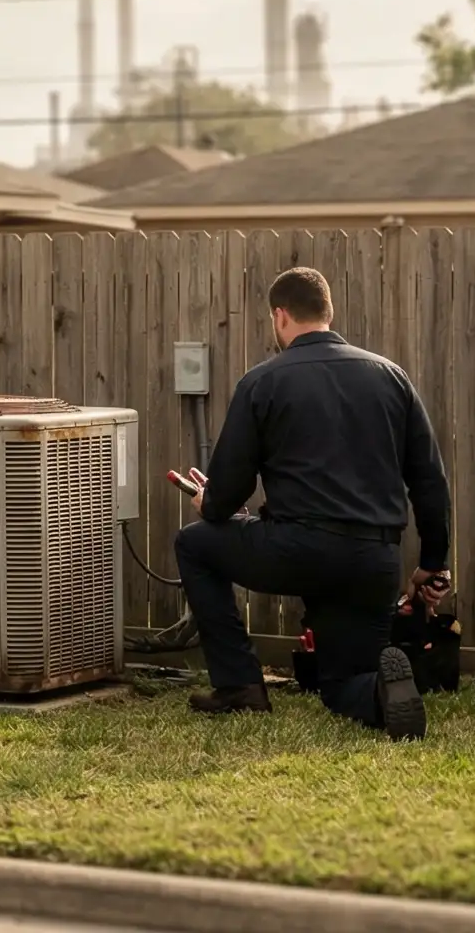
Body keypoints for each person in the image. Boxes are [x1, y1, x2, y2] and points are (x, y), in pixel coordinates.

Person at [172, 266, 452, 740]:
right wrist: (430, 562)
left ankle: (240, 684)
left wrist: (210, 503)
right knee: (342, 682)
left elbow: (232, 486)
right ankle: (380, 694)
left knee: (195, 545)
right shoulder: (391, 377)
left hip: (296, 552)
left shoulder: (262, 382)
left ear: (280, 316)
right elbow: (429, 481)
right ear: (329, 312)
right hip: (372, 558)